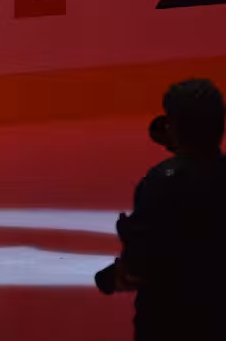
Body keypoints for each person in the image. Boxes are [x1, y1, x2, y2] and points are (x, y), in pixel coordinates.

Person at [96, 78, 226, 341]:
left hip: (167, 322)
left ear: (175, 128)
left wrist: (110, 277)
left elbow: (139, 265)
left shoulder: (161, 182)